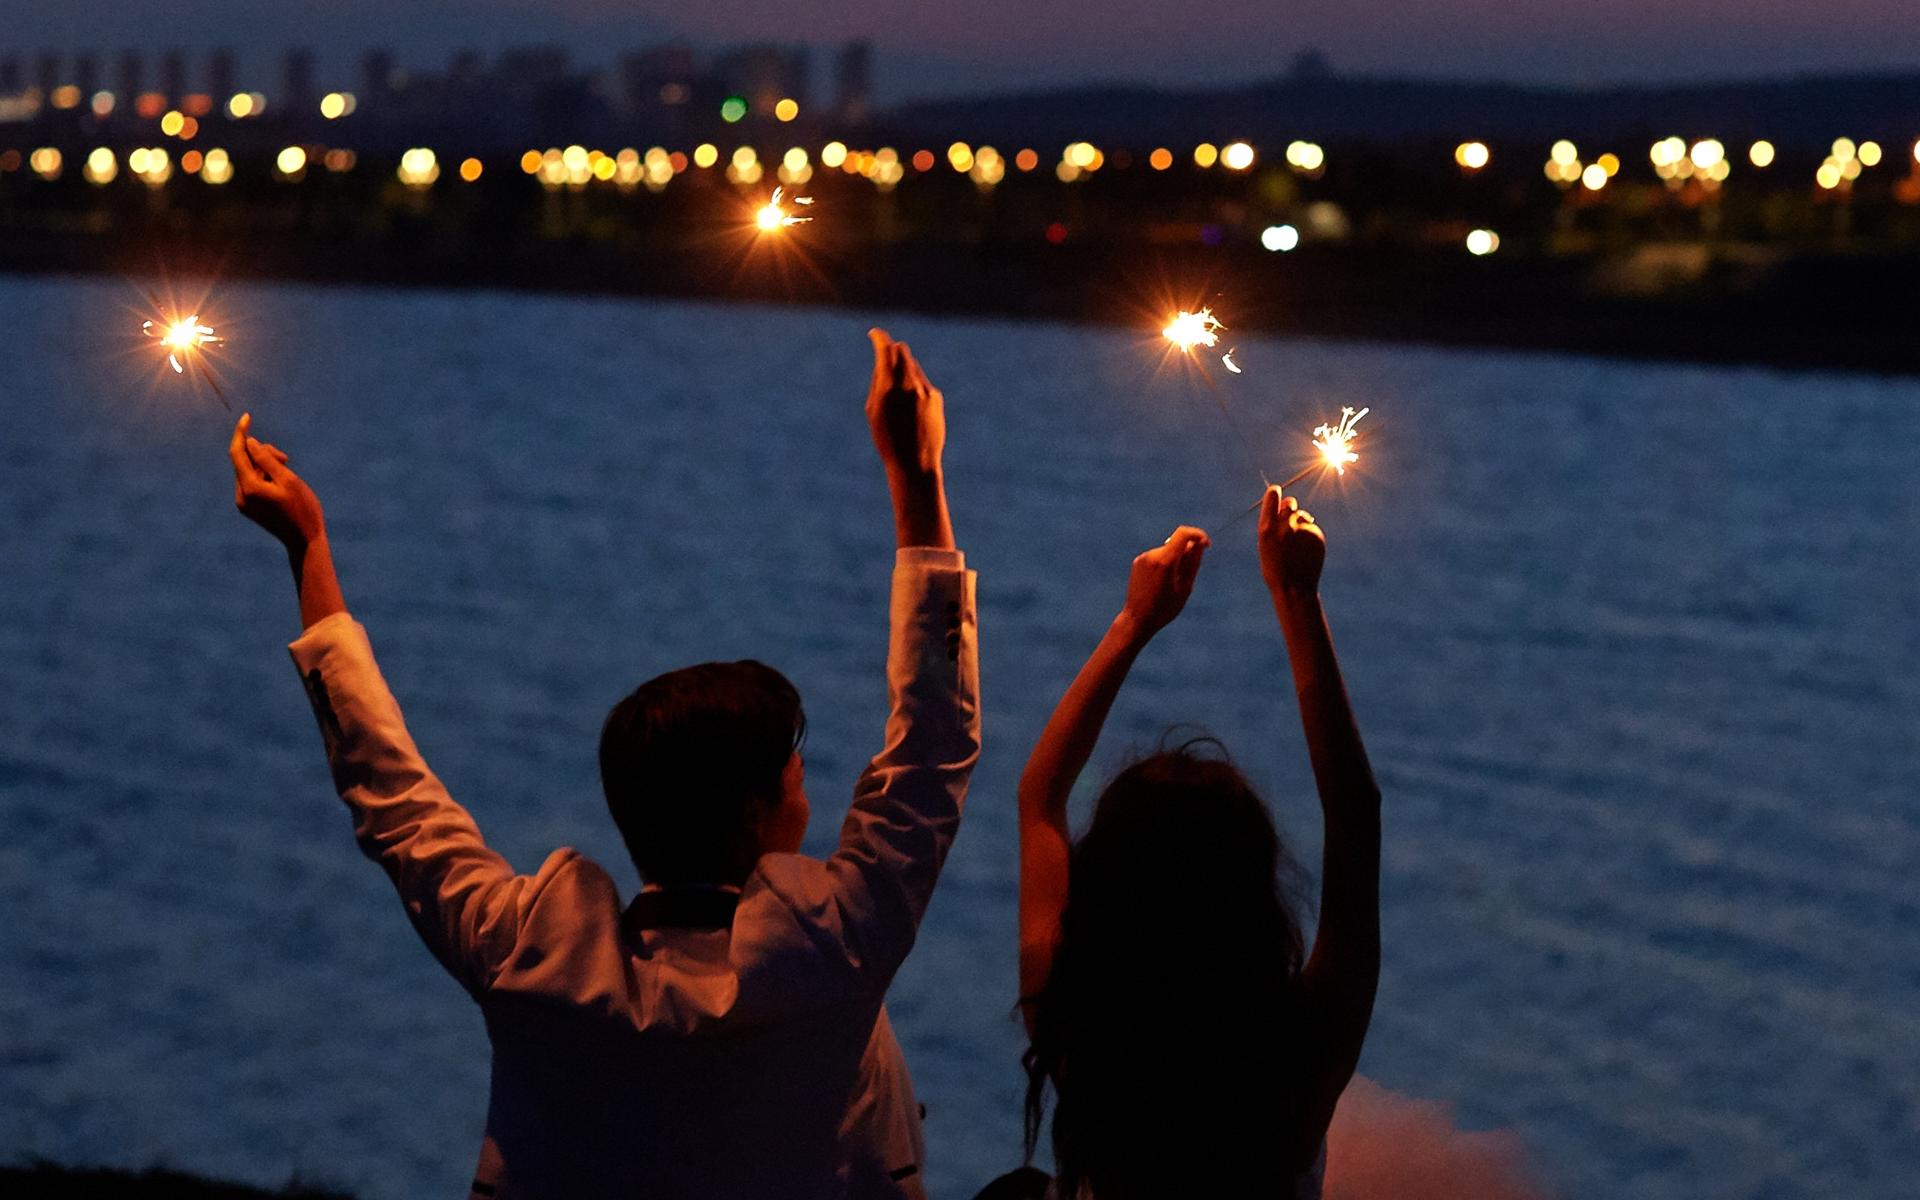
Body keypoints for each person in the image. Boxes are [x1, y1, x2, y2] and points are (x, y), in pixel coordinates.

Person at [227, 329, 980, 1200]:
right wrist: (917, 478)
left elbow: (393, 800)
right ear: (751, 810)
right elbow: (932, 745)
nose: (807, 796)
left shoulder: (535, 959)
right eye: (796, 776)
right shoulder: (830, 954)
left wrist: (308, 549)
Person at [1008, 491, 1381, 1200]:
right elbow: (1357, 814)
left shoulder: (1076, 1026)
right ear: (1252, 891)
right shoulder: (1299, 1063)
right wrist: (1297, 598)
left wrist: (1133, 622)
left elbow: (1041, 799)